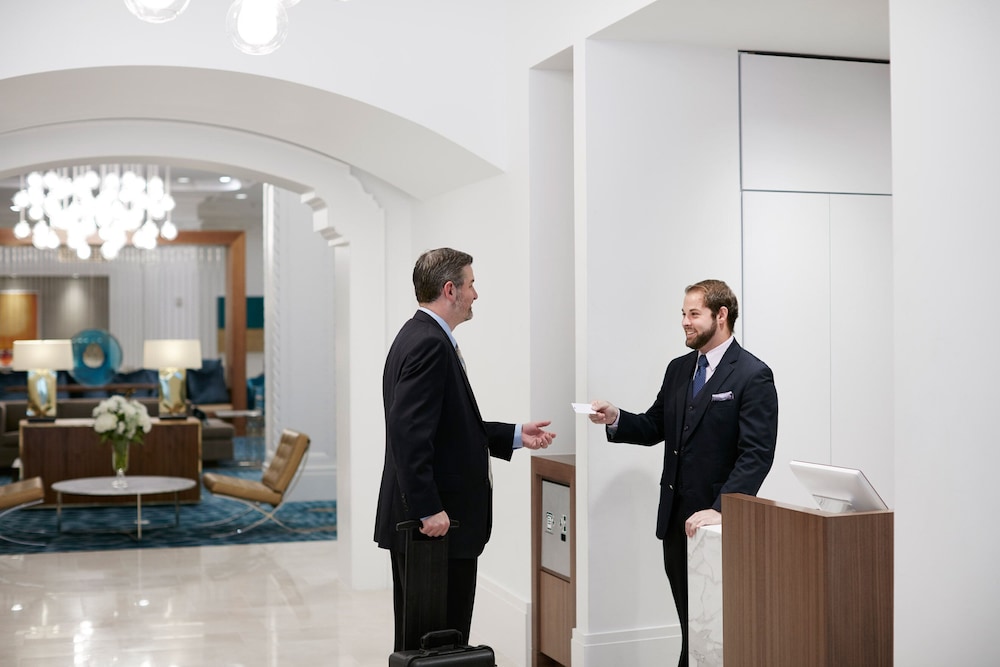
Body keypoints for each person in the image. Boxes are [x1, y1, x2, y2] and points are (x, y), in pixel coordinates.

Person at [589, 279, 778, 667]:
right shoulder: (678, 370)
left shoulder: (753, 375)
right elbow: (654, 426)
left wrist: (722, 508)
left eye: (694, 314)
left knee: (716, 631)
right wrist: (616, 418)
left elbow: (756, 455)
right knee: (689, 625)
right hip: (675, 522)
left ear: (721, 316)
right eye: (683, 314)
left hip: (717, 526)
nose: (685, 322)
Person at [375, 247, 556, 651]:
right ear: (450, 289)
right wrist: (428, 508)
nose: (476, 294)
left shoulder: (419, 335)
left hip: (431, 523)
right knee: (437, 642)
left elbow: (446, 428)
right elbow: (408, 435)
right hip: (434, 526)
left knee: (429, 639)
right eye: (472, 284)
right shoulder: (429, 344)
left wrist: (512, 434)